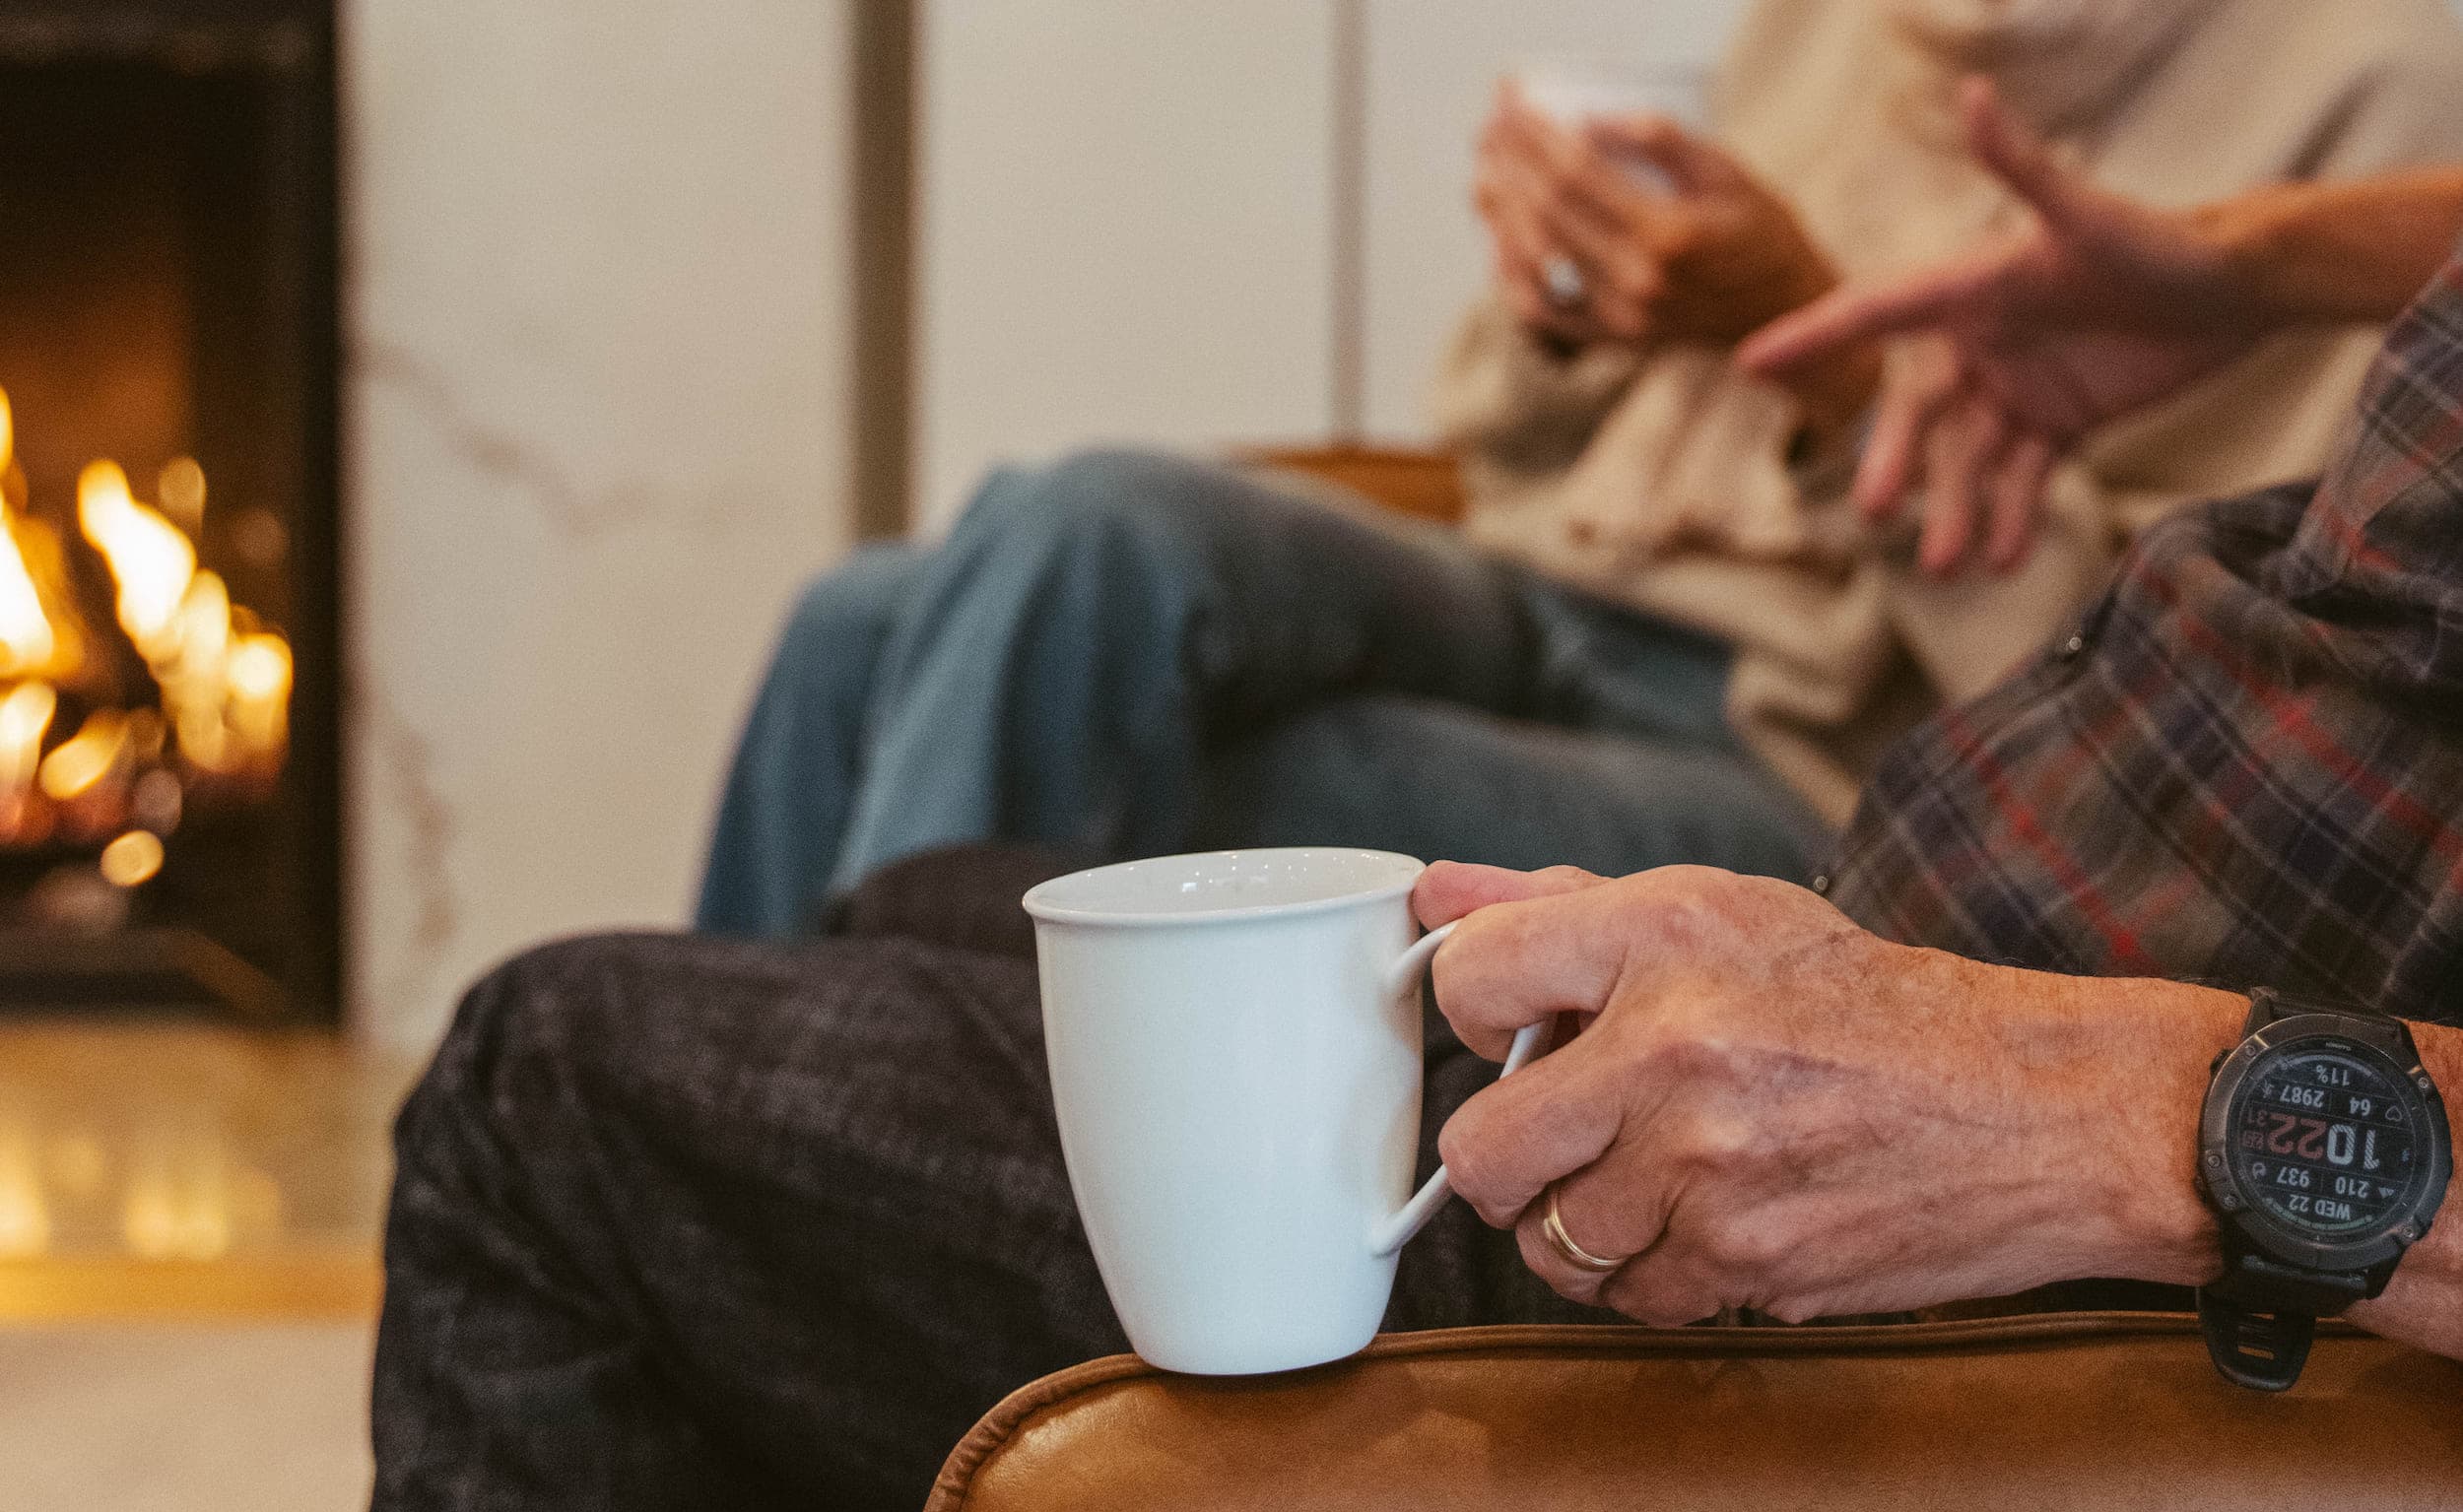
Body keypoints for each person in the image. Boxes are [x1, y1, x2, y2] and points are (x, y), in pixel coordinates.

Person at [358, 87, 2463, 1512]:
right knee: (931, 858)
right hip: (1881, 893)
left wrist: (2101, 1113)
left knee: (551, 1085)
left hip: (1952, 1224)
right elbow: (1519, 424)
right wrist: (2247, 259)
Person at [696, 0, 2463, 937]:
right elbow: (1511, 443)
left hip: (1830, 760)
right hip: (1562, 593)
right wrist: (1572, 295)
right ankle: (719, 1203)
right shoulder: (1862, 20)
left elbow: (2182, 758)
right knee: (986, 567)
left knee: (1206, 765)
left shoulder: (2383, 101)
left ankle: (842, 1298)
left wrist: (1835, 357)